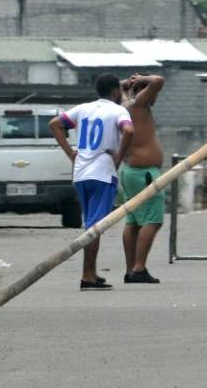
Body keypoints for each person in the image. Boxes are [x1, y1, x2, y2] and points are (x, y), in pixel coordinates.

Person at [50, 73, 134, 291]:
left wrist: (70, 153)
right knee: (95, 227)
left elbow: (55, 124)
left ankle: (91, 272)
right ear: (116, 91)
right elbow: (129, 130)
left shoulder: (83, 108)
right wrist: (119, 156)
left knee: (90, 224)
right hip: (102, 173)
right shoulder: (118, 110)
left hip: (81, 173)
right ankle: (87, 275)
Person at [119, 74, 166, 284]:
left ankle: (131, 269)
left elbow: (119, 87)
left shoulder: (123, 104)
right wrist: (142, 78)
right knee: (153, 220)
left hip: (130, 171)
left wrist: (128, 84)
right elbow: (158, 80)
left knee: (133, 221)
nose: (155, 98)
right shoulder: (138, 103)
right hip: (144, 173)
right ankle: (139, 267)